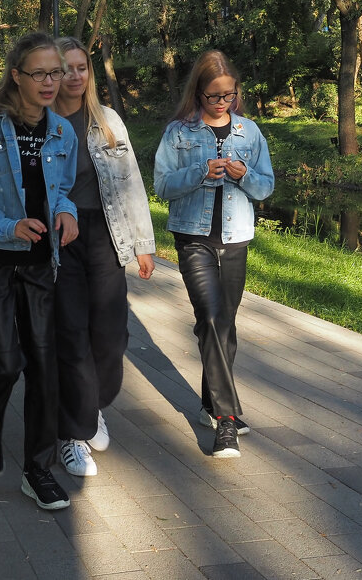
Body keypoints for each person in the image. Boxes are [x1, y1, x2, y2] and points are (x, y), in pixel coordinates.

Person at [0, 31, 80, 510]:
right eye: (41, 73)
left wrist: (67, 213)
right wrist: (9, 226)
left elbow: (61, 190)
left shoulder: (62, 132)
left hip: (40, 260)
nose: (52, 82)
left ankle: (38, 469)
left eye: (57, 72)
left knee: (44, 364)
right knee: (6, 361)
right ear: (17, 76)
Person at [153, 50, 274, 459]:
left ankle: (209, 401)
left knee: (223, 325)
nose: (222, 103)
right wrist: (199, 172)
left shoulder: (250, 133)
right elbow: (163, 187)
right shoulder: (178, 133)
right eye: (213, 96)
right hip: (193, 238)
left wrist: (246, 176)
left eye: (228, 95)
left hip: (236, 237)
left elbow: (266, 188)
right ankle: (225, 420)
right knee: (208, 315)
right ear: (198, 93)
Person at [51, 36, 155, 478]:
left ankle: (92, 407)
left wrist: (143, 243)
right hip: (59, 239)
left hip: (107, 234)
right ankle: (71, 434)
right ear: (51, 74)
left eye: (81, 68)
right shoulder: (41, 122)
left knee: (111, 337)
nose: (75, 77)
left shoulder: (107, 120)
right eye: (65, 69)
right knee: (71, 336)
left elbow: (130, 181)